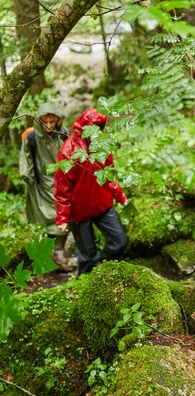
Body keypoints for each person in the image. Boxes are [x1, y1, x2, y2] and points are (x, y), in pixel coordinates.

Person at [54, 108, 128, 275]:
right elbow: (62, 188)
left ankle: (100, 266)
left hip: (102, 204)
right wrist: (63, 216)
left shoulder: (103, 146)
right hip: (79, 212)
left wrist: (120, 195)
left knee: (120, 241)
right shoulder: (69, 151)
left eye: (101, 128)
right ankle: (85, 285)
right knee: (87, 256)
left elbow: (109, 175)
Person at [19, 102, 70, 266]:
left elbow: (71, 155)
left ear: (57, 121)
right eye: (45, 122)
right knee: (48, 217)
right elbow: (25, 158)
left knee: (64, 216)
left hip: (62, 183)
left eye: (52, 122)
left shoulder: (63, 134)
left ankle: (59, 251)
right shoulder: (31, 138)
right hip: (42, 183)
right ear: (39, 121)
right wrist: (26, 175)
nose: (48, 126)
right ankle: (48, 254)